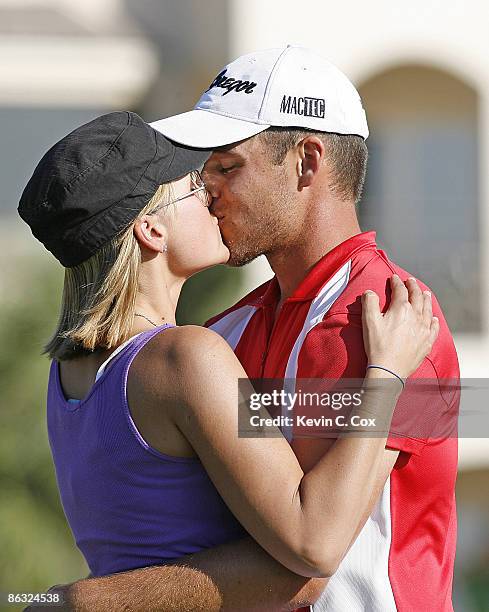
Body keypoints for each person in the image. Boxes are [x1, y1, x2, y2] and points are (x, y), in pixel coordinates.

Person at [20, 109, 438, 612]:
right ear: (151, 230)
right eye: (195, 183)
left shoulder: (66, 374)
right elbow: (313, 548)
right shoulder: (186, 358)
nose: (213, 193)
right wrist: (387, 376)